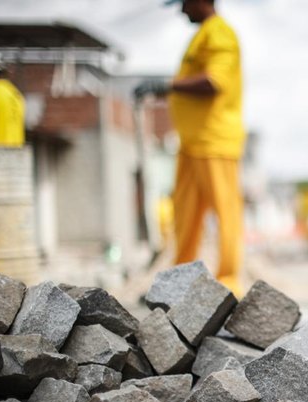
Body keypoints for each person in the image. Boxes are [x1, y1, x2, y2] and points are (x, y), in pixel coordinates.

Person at [134, 0, 245, 294]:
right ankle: (181, 282)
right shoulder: (203, 34)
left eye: (184, 3)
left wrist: (165, 86)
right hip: (192, 142)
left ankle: (229, 280)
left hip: (215, 139)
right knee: (184, 212)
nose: (182, 11)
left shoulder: (219, 33)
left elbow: (214, 81)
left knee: (225, 210)